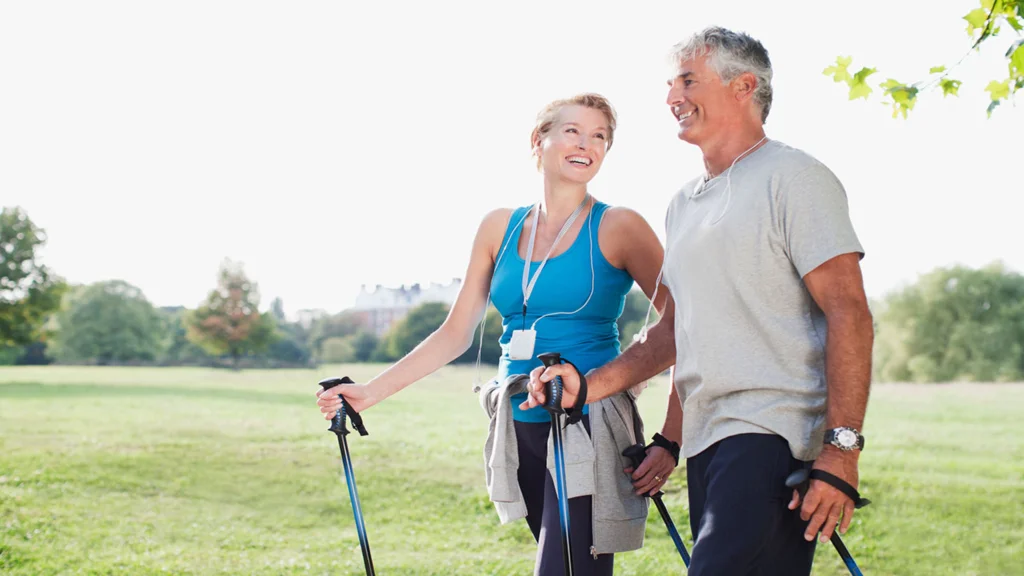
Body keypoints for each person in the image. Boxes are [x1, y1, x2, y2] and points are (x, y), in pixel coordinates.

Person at [522, 26, 875, 576]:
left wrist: (842, 451)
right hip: (709, 443)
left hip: (771, 432)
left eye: (688, 80)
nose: (671, 98)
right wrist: (593, 390)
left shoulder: (795, 177)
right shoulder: (684, 204)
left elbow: (849, 311)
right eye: (670, 84)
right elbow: (676, 334)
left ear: (744, 86)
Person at [316, 93, 668, 575]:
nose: (587, 144)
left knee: (564, 567)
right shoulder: (498, 226)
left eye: (600, 136)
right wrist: (370, 393)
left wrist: (631, 388)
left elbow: (681, 323)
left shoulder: (620, 225)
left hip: (585, 421)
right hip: (515, 418)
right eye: (572, 131)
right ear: (538, 140)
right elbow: (456, 332)